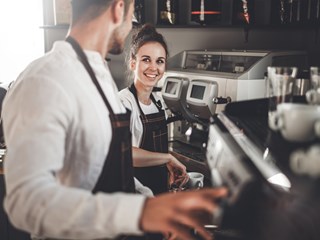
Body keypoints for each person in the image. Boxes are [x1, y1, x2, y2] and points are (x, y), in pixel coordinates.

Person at [2, 0, 227, 240]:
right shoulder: (45, 80)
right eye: (132, 14)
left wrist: (154, 206)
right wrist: (141, 212)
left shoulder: (100, 79)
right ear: (119, 8)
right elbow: (27, 203)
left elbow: (113, 167)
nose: (131, 24)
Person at [119, 24, 188, 195]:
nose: (153, 68)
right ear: (133, 63)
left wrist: (169, 167)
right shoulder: (123, 102)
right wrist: (168, 158)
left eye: (160, 61)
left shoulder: (158, 102)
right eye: (146, 60)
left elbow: (154, 153)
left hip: (158, 192)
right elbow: (124, 154)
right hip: (134, 195)